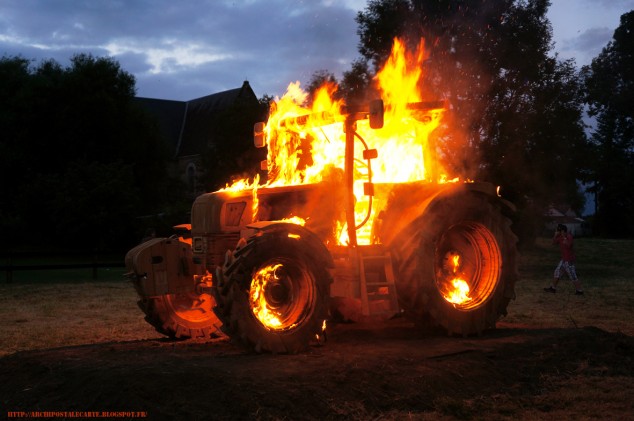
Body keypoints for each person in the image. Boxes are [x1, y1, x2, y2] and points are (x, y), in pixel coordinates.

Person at [544, 224, 584, 295]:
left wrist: (565, 239)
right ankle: (553, 288)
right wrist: (555, 235)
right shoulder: (560, 237)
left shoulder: (569, 236)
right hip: (563, 260)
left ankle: (579, 290)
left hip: (569, 260)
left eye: (558, 231)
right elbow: (553, 243)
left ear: (562, 231)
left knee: (573, 275)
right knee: (557, 272)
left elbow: (569, 246)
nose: (557, 232)